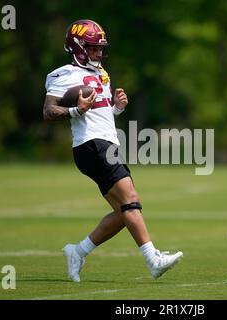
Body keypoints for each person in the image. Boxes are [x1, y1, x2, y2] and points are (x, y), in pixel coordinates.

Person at [43, 19, 183, 282]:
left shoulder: (102, 74)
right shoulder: (63, 74)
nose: (98, 53)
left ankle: (78, 251)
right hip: (91, 145)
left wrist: (117, 108)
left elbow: (101, 114)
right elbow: (48, 111)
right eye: (93, 48)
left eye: (100, 48)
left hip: (106, 143)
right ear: (78, 47)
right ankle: (153, 260)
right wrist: (75, 110)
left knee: (124, 212)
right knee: (131, 200)